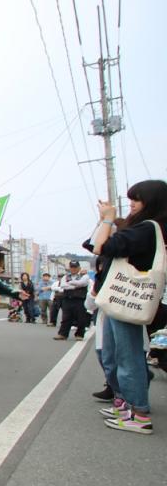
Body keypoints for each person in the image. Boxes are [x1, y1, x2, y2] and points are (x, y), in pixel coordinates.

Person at [92, 180, 167, 435]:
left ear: (152, 200)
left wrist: (108, 220)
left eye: (136, 198)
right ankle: (128, 406)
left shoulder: (148, 228)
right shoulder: (148, 228)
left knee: (128, 355)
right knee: (118, 354)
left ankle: (139, 412)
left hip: (127, 298)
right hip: (124, 298)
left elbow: (101, 247)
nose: (132, 203)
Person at [53, 261, 89, 341]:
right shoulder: (65, 276)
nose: (73, 269)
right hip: (67, 299)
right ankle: (62, 334)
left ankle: (79, 334)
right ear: (69, 268)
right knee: (66, 317)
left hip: (80, 299)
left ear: (79, 267)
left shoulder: (84, 276)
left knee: (81, 318)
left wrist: (71, 283)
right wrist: (75, 286)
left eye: (75, 267)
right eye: (72, 267)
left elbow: (82, 283)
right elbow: (63, 285)